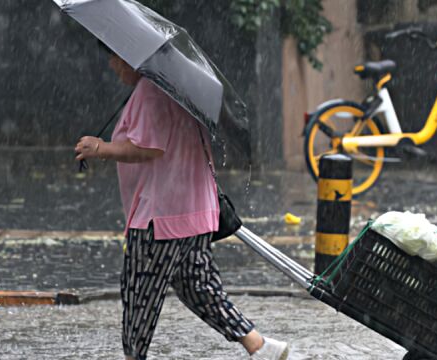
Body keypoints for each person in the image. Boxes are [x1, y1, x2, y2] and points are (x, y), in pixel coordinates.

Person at [75, 48, 289, 360]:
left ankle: (133, 357)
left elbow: (149, 149)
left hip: (160, 218)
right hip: (196, 213)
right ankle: (260, 345)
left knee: (139, 298)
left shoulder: (151, 91)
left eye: (116, 57)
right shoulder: (180, 88)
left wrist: (101, 148)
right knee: (200, 289)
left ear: (133, 57)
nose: (112, 63)